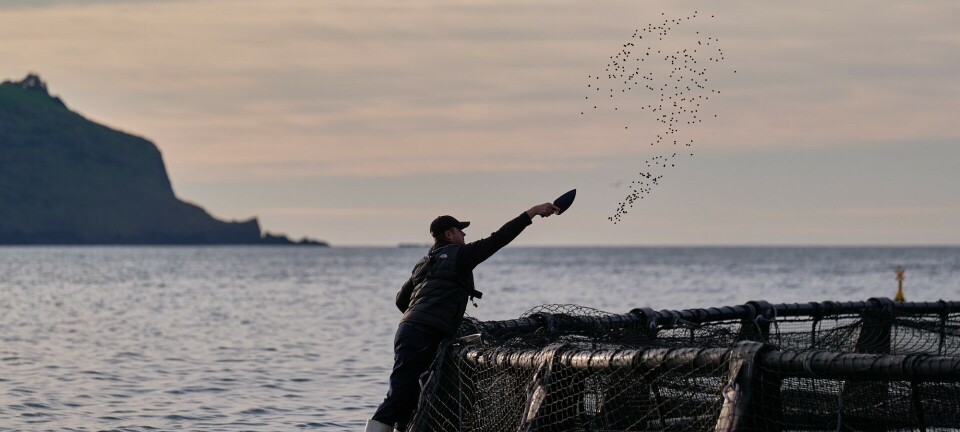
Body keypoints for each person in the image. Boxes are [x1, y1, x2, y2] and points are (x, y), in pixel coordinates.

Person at [365, 202, 561, 432]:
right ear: (449, 234)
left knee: (410, 394)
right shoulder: (460, 255)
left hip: (408, 330)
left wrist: (423, 315)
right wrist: (532, 213)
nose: (465, 233)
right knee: (399, 395)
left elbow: (401, 300)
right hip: (424, 332)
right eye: (460, 230)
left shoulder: (424, 263)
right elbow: (499, 238)